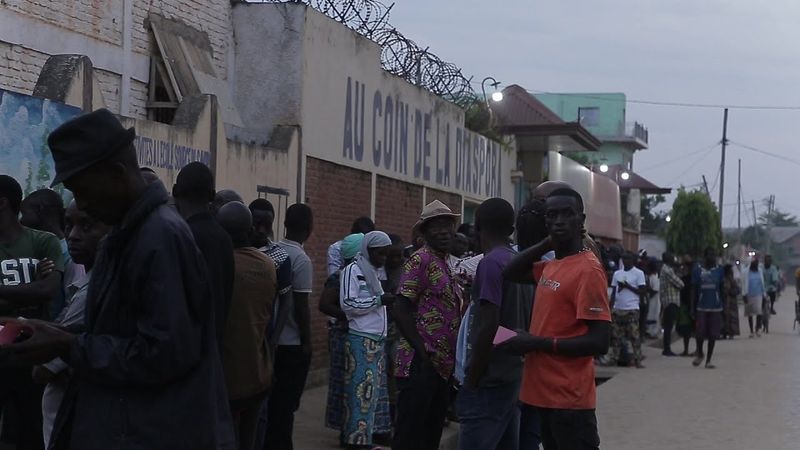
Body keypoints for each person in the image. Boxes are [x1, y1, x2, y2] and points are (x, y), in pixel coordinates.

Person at [4, 108, 234, 449]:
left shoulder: (159, 237)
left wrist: (66, 345)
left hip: (154, 432)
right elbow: (116, 330)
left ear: (115, 173)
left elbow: (164, 354)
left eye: (82, 190)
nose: (81, 204)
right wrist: (55, 334)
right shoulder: (126, 235)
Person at [502, 188, 611, 450]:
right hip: (544, 394)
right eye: (552, 215)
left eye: (567, 214)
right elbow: (511, 271)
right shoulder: (554, 265)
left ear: (581, 220)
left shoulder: (588, 270)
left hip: (570, 400)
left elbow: (599, 341)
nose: (559, 220)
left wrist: (536, 343)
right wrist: (547, 243)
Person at [36, 200, 109, 448]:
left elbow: (43, 370)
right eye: (69, 225)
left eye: (87, 226)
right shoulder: (85, 285)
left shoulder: (93, 292)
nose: (73, 236)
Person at [0, 176, 66, 450]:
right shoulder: (41, 249)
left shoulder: (44, 241)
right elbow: (38, 289)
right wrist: (30, 286)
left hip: (32, 350)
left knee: (31, 432)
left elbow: (48, 290)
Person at [392, 200, 462, 450]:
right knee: (410, 434)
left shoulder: (446, 263)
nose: (444, 231)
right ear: (424, 232)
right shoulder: (419, 260)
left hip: (442, 366)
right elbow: (400, 309)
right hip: (420, 363)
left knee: (431, 434)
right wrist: (422, 352)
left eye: (448, 225)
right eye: (437, 226)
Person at [456, 198, 525, 450]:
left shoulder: (490, 264)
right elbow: (514, 324)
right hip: (511, 375)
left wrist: (472, 377)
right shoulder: (517, 260)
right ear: (511, 230)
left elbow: (489, 325)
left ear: (478, 227)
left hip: (488, 379)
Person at [218, 202, 277, 450]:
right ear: (250, 228)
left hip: (227, 376)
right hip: (258, 370)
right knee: (249, 439)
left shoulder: (219, 264)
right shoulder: (267, 265)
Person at [265, 203, 314, 450]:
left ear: (283, 225)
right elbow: (301, 307)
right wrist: (308, 342)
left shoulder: (271, 252)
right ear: (309, 229)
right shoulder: (301, 260)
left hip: (270, 339)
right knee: (286, 406)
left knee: (271, 403)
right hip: (291, 343)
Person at [339, 231, 393, 450]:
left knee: (370, 395)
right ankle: (356, 441)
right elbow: (348, 304)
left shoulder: (374, 273)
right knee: (359, 392)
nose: (384, 258)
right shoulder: (352, 270)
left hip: (376, 339)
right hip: (361, 338)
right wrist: (379, 300)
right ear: (369, 250)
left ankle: (363, 438)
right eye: (381, 253)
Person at [173, 161, 235, 347]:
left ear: (175, 192)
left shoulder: (180, 238)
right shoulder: (224, 239)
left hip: (183, 353)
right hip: (213, 352)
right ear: (212, 195)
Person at [321, 233, 363, 439]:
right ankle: (345, 432)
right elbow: (324, 305)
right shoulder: (339, 277)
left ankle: (351, 430)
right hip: (343, 336)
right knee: (344, 384)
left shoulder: (361, 274)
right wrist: (348, 315)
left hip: (355, 336)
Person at [19, 188, 85, 319]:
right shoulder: (44, 250)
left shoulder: (71, 254)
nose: (21, 220)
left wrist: (54, 329)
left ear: (40, 209)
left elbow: (74, 302)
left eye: (24, 213)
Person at [609, 252, 647, 368]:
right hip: (618, 308)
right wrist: (610, 308)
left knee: (634, 336)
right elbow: (614, 292)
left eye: (628, 259)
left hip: (632, 309)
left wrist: (627, 286)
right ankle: (614, 359)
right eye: (624, 259)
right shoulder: (617, 273)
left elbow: (642, 292)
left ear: (633, 260)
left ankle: (637, 360)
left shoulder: (638, 273)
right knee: (616, 337)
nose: (626, 261)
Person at [691, 248, 724, 369]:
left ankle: (708, 360)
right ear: (705, 256)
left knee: (713, 335)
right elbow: (693, 289)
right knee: (699, 334)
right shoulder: (697, 269)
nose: (712, 257)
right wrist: (692, 307)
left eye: (714, 255)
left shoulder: (719, 270)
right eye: (710, 255)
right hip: (701, 306)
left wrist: (723, 308)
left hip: (715, 307)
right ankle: (700, 353)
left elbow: (721, 289)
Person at [659, 252, 685, 356]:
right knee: (668, 326)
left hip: (667, 300)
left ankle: (666, 348)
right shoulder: (668, 270)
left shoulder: (664, 269)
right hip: (671, 300)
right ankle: (667, 349)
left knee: (668, 326)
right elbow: (680, 284)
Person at [741, 257, 766, 338]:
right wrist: (744, 294)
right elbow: (743, 284)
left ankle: (757, 329)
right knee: (750, 314)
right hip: (749, 294)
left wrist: (764, 294)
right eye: (754, 263)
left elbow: (762, 283)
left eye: (756, 263)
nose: (755, 265)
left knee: (759, 312)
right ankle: (751, 331)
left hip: (758, 294)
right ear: (751, 264)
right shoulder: (745, 272)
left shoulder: (760, 271)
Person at [721, 264, 741, 339]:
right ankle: (724, 333)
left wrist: (732, 292)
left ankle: (731, 333)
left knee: (731, 318)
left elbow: (738, 290)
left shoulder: (733, 280)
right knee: (724, 317)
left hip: (731, 302)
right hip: (725, 302)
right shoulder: (722, 280)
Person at [645, 259, 661, 338]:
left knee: (654, 315)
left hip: (654, 300)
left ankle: (653, 333)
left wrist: (647, 289)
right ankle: (650, 332)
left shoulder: (654, 277)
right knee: (650, 315)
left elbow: (654, 290)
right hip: (651, 300)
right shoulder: (651, 277)